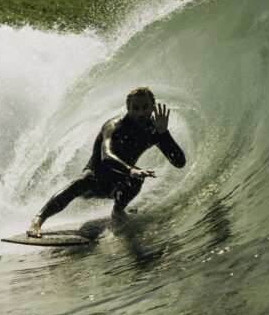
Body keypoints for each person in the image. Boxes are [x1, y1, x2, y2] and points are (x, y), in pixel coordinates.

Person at [26, 86, 186, 237]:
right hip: (95, 180)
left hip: (117, 186)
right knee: (81, 181)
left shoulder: (154, 130)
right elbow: (106, 156)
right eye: (135, 108)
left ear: (153, 107)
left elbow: (179, 162)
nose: (140, 113)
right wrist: (131, 170)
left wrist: (163, 133)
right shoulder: (114, 127)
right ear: (128, 108)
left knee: (137, 177)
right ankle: (38, 220)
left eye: (145, 107)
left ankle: (117, 211)